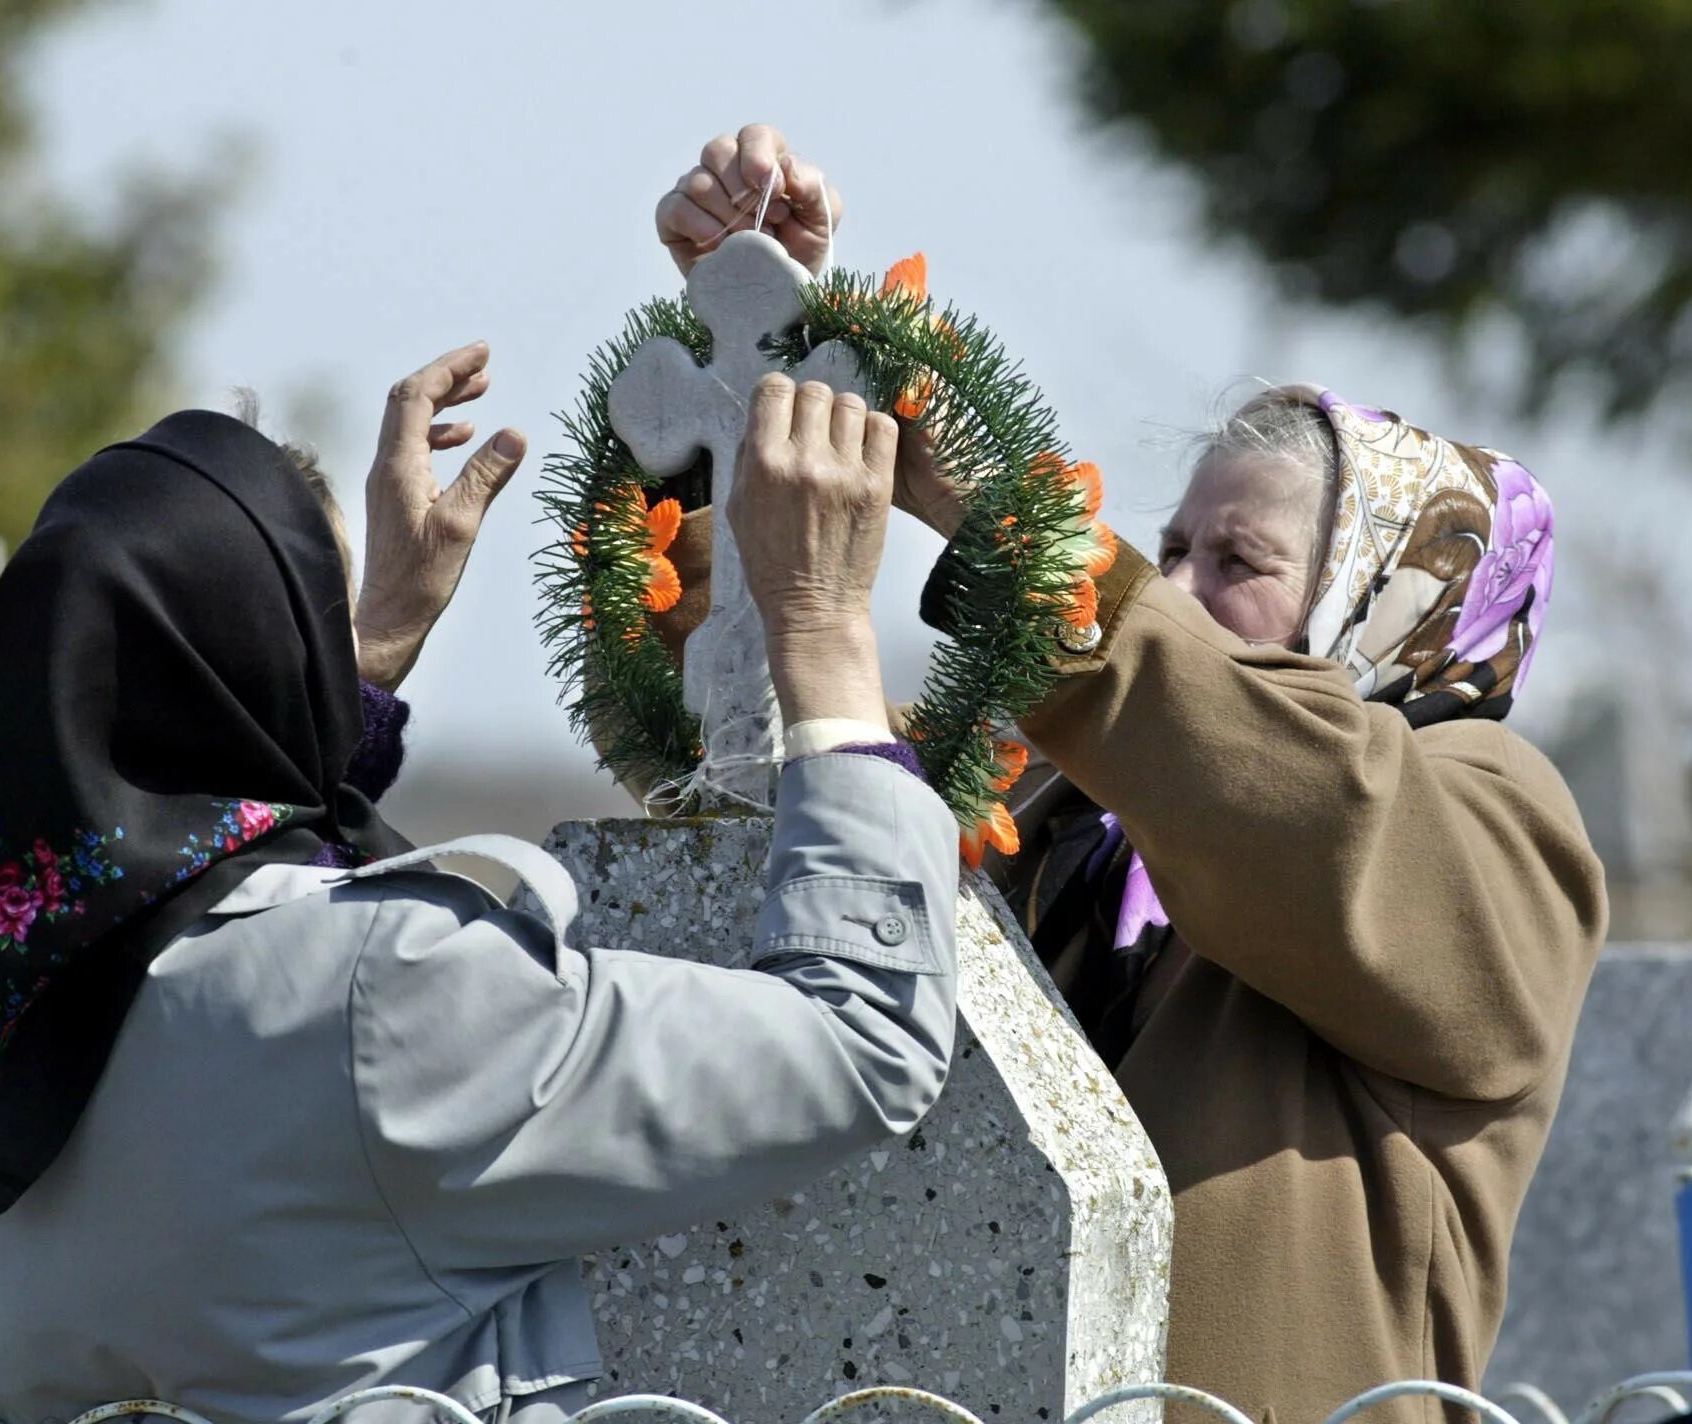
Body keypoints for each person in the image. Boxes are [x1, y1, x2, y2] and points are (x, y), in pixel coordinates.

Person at [656, 126, 1609, 1424]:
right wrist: (774, 347)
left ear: (1383, 606)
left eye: (1242, 561)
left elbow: (1310, 807)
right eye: (1171, 551)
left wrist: (1009, 521)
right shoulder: (1059, 815)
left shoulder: (1486, 809)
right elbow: (812, 818)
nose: (1179, 593)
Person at [0, 342, 958, 1424]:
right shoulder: (386, 992)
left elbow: (183, 863)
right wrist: (818, 630)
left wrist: (352, 661)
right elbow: (863, 1039)